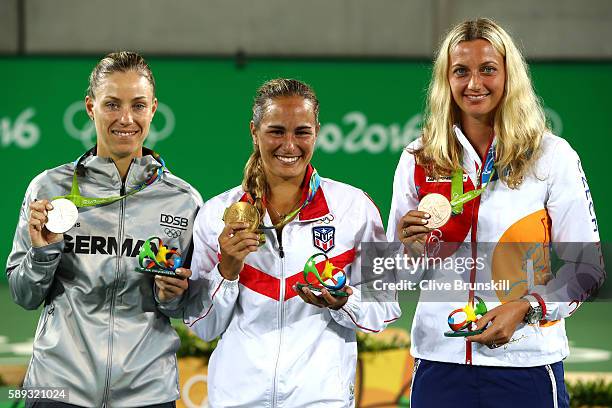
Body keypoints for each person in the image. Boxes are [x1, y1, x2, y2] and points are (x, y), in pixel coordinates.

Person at [387, 18, 603, 408]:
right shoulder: (419, 158)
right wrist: (407, 249)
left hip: (526, 360)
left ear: (509, 76)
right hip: (440, 359)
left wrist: (527, 308)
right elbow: (392, 276)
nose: (474, 84)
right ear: (445, 80)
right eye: (460, 71)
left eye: (488, 69)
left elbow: (586, 267)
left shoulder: (551, 156)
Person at [184, 78, 400, 407]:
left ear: (316, 132)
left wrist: (344, 302)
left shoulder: (355, 208)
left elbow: (385, 304)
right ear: (254, 132)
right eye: (276, 131)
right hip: (238, 399)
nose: (289, 145)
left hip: (320, 399)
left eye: (301, 132)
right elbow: (202, 326)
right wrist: (227, 270)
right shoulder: (217, 214)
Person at [6, 51, 202, 407]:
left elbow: (188, 309)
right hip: (58, 387)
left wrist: (173, 295)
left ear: (153, 109)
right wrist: (43, 253)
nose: (126, 118)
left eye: (138, 106)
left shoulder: (183, 201)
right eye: (112, 104)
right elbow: (23, 295)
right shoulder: (48, 189)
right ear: (90, 106)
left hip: (147, 392)